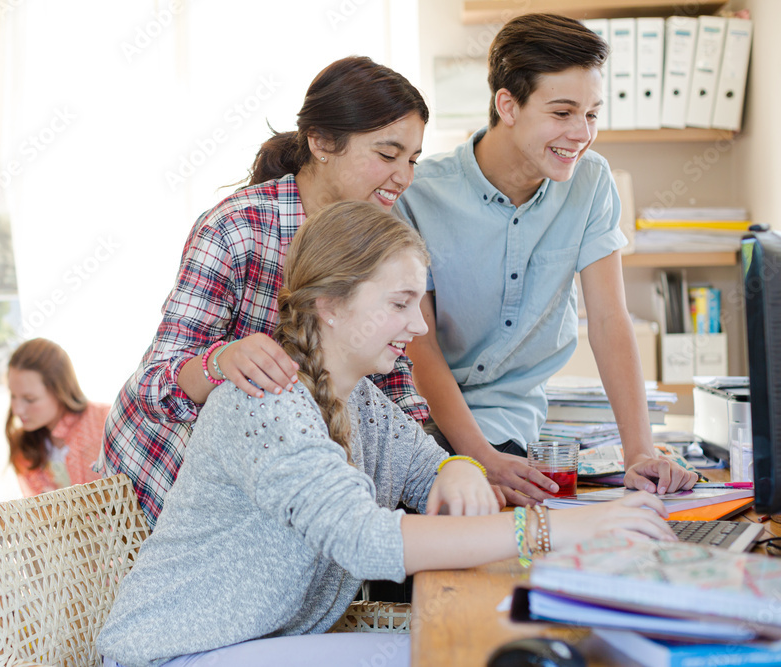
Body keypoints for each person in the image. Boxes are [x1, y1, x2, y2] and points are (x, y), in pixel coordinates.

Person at [95, 201, 675, 667]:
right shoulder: (266, 407)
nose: (419, 325)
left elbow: (428, 467)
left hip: (252, 646)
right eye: (400, 303)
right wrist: (554, 527)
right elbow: (368, 540)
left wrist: (461, 468)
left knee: (464, 650)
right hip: (178, 654)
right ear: (330, 305)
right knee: (457, 655)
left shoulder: (361, 401)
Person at [101, 56, 432, 527]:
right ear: (320, 142)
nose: (404, 177)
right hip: (170, 478)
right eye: (387, 154)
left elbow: (389, 375)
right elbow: (156, 385)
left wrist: (432, 468)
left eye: (412, 160)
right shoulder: (236, 231)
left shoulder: (378, 236)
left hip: (271, 482)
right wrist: (221, 361)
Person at [395, 13, 699, 507]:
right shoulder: (420, 195)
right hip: (417, 416)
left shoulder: (591, 181)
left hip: (509, 422)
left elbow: (608, 319)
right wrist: (479, 459)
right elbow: (419, 347)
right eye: (562, 113)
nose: (582, 133)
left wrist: (639, 451)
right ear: (507, 105)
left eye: (593, 114)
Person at [7, 338, 109, 496]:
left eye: (30, 399)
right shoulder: (24, 448)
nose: (17, 410)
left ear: (60, 390)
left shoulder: (106, 421)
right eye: (13, 395)